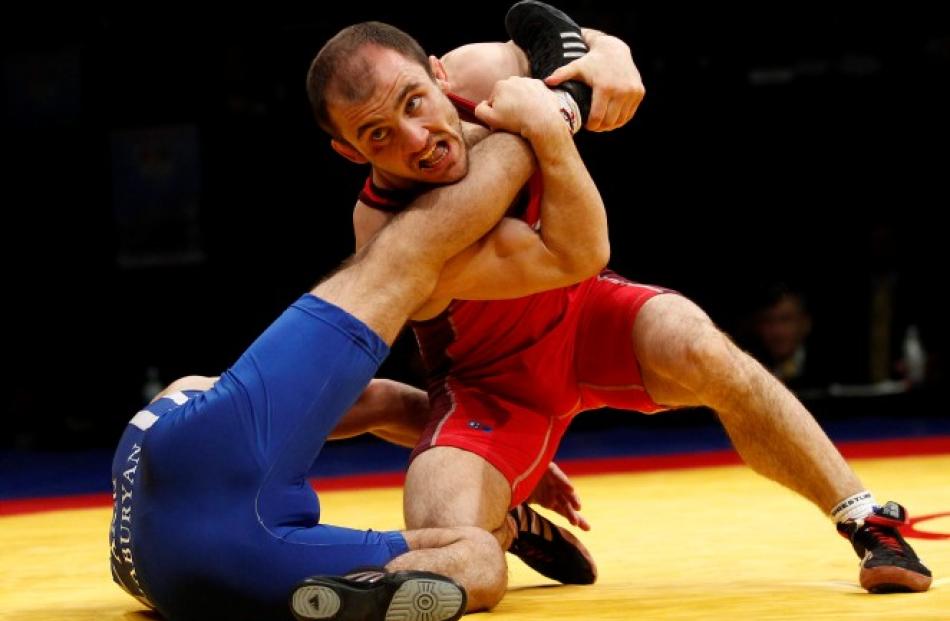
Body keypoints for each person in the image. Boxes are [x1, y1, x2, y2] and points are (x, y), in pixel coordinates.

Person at [305, 0, 933, 604]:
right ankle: (506, 523)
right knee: (447, 531)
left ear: (441, 72)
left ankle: (864, 516)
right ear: (350, 152)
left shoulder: (480, 72)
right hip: (491, 389)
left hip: (586, 319)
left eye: (417, 101)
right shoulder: (387, 235)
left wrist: (611, 57)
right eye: (378, 134)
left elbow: (569, 42)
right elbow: (575, 251)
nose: (417, 139)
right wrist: (552, 127)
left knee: (700, 344)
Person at [108, 75, 591, 621]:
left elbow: (381, 405)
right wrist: (502, 461)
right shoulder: (215, 429)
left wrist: (497, 461)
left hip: (159, 578)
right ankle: (560, 110)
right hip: (210, 498)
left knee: (200, 395)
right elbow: (383, 402)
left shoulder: (196, 441)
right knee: (405, 256)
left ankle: (374, 589)